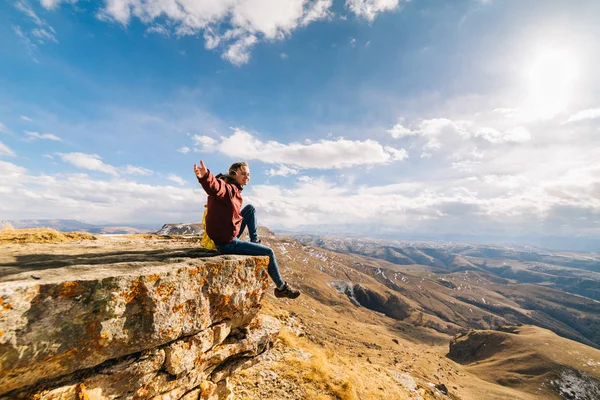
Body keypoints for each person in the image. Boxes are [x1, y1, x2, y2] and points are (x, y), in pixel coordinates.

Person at [194, 160, 301, 299]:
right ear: (233, 174)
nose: (247, 177)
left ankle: (254, 241)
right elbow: (216, 187)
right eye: (243, 174)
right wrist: (206, 177)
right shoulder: (228, 188)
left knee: (250, 209)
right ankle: (281, 288)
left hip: (229, 231)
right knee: (269, 252)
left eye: (248, 174)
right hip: (226, 243)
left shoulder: (234, 187)